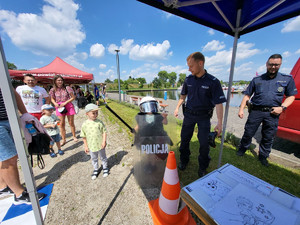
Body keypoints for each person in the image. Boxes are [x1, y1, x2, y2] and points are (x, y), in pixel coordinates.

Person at [237, 54, 297, 166]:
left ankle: (263, 156)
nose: (273, 67)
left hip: (273, 112)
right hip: (256, 111)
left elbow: (291, 96)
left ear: (280, 65)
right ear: (266, 64)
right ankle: (242, 149)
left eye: (276, 65)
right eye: (271, 64)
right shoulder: (257, 79)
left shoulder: (286, 79)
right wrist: (241, 109)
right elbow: (247, 95)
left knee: (268, 136)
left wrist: (282, 107)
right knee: (248, 132)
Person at [174, 52, 226, 177]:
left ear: (200, 63)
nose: (188, 69)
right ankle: (184, 160)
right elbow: (183, 96)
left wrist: (219, 122)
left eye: (191, 66)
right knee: (184, 139)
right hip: (189, 115)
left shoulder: (213, 82)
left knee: (204, 144)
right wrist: (177, 108)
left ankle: (203, 167)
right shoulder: (188, 79)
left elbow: (219, 103)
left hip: (204, 117)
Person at [0, 88, 45, 204]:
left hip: (9, 118)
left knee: (4, 156)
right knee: (9, 157)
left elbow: (14, 94)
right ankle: (19, 193)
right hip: (2, 122)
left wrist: (25, 114)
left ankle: (3, 186)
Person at [80, 103, 109, 180]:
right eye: (93, 113)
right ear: (87, 114)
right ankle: (96, 169)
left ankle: (105, 167)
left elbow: (104, 132)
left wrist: (104, 141)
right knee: (94, 158)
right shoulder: (85, 124)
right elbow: (84, 136)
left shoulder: (99, 122)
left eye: (97, 113)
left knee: (103, 157)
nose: (95, 114)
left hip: (100, 144)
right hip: (91, 145)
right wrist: (86, 146)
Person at [49, 75, 78, 146]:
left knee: (71, 122)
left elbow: (73, 97)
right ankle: (64, 139)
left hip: (68, 105)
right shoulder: (53, 90)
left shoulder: (67, 88)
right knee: (61, 124)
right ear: (55, 81)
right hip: (59, 106)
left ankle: (74, 136)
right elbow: (52, 98)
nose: (60, 82)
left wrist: (65, 102)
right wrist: (55, 103)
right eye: (58, 80)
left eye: (61, 80)